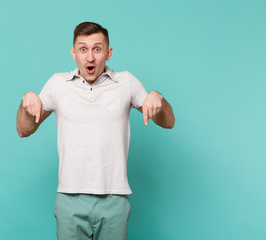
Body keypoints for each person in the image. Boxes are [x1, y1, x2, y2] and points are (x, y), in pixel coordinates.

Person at [16, 22, 175, 240]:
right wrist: (26, 101)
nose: (90, 57)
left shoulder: (126, 82)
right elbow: (24, 130)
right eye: (83, 49)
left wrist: (158, 97)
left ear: (108, 53)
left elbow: (168, 122)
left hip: (114, 198)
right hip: (69, 198)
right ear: (74, 53)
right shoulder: (57, 83)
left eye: (97, 49)